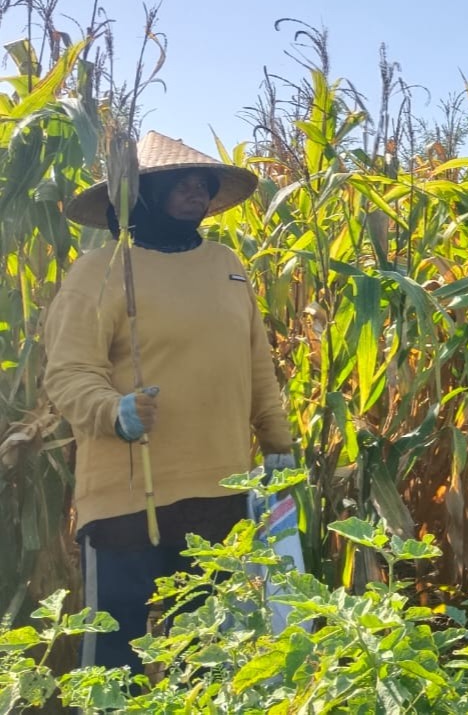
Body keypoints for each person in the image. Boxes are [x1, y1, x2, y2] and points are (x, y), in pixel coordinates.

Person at [43, 131, 295, 670]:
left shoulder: (227, 264)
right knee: (115, 653)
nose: (196, 189)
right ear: (138, 196)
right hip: (128, 499)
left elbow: (255, 364)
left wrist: (277, 439)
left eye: (203, 182)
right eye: (177, 181)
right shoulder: (103, 271)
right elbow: (69, 372)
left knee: (210, 655)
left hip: (223, 493)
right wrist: (114, 412)